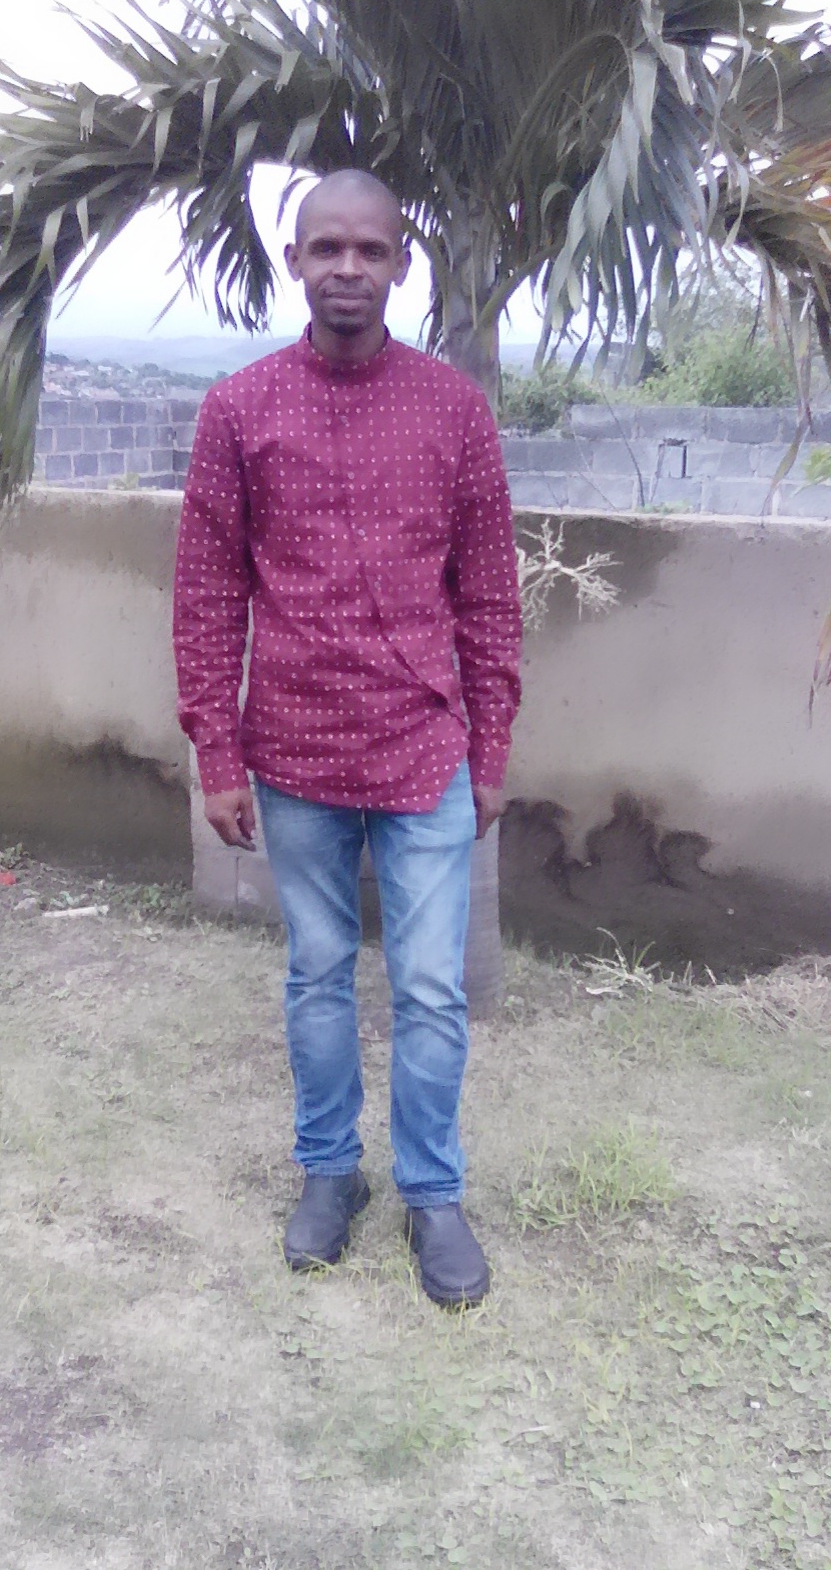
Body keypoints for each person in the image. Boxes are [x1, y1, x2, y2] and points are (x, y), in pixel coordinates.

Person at [172, 169, 522, 1307]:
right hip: (296, 754)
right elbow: (208, 594)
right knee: (317, 976)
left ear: (400, 264)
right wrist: (217, 756)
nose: (349, 268)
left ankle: (433, 1193)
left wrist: (491, 751)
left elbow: (489, 596)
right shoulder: (240, 410)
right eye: (327, 248)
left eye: (371, 250)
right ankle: (330, 1172)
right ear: (297, 262)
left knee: (429, 988)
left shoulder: (453, 409)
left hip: (424, 750)